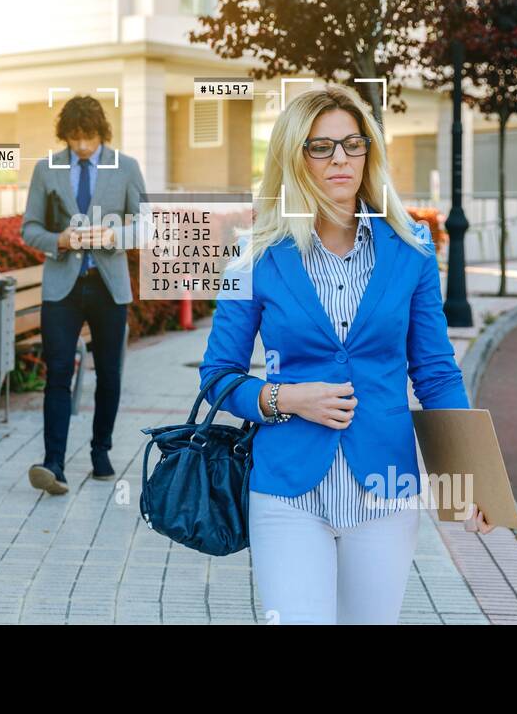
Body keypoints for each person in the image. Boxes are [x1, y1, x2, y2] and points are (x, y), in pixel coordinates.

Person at [199, 84, 493, 624]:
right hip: (287, 487)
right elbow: (218, 376)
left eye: (353, 144)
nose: (340, 158)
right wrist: (284, 397)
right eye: (321, 146)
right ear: (294, 157)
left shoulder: (412, 248)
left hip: (386, 485)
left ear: (368, 152)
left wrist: (468, 472)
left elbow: (434, 370)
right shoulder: (253, 254)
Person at [21, 95, 147, 495]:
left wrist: (115, 236)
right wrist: (58, 239)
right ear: (66, 136)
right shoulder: (46, 169)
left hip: (108, 287)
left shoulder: (126, 168)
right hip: (62, 287)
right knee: (58, 372)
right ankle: (54, 463)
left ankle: (101, 451)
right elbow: (29, 228)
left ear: (102, 133)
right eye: (75, 139)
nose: (82, 147)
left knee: (110, 373)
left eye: (89, 138)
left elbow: (148, 227)